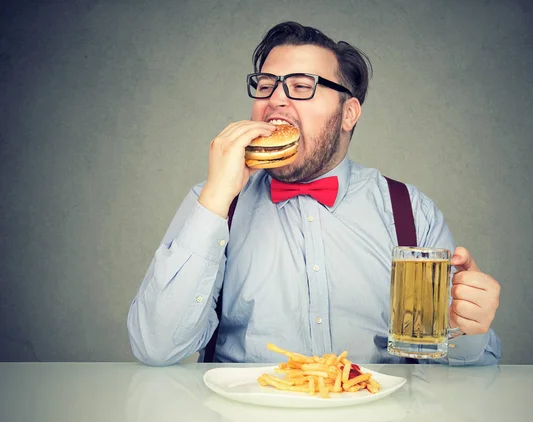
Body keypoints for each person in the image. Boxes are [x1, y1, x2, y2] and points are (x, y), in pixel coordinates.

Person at [127, 21, 501, 367]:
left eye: (302, 86)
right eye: (265, 85)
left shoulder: (410, 211)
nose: (275, 100)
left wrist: (467, 330)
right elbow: (155, 348)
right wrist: (214, 200)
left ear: (349, 113)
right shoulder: (214, 202)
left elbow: (460, 370)